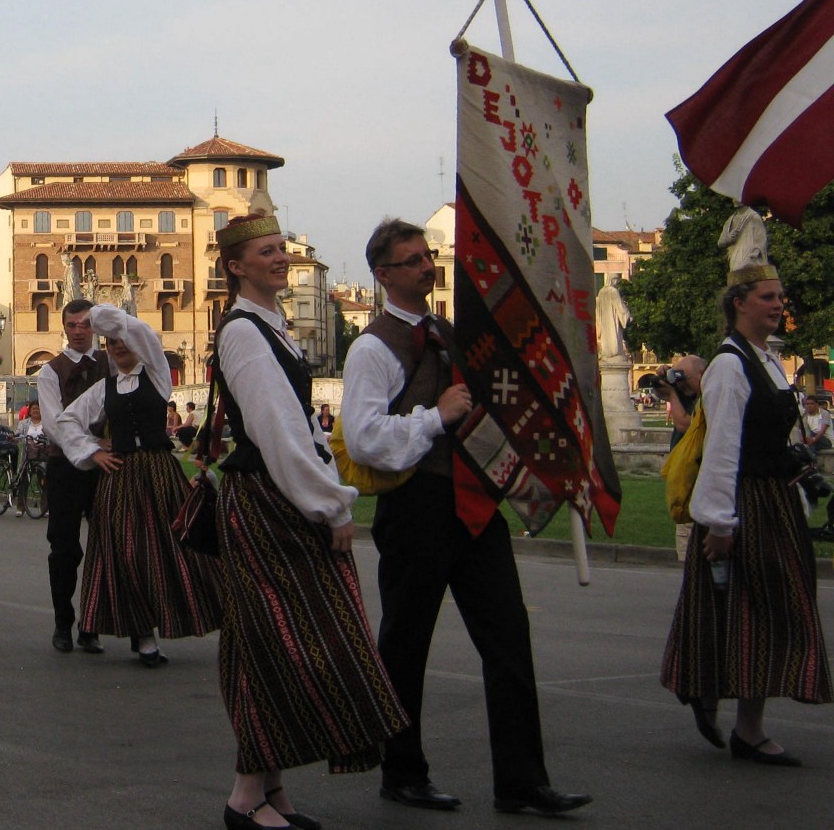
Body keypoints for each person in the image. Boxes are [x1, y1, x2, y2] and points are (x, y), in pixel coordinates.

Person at [341, 218, 589, 816]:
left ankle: (522, 780)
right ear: (383, 274)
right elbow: (365, 438)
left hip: (474, 506)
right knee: (405, 643)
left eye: (427, 257)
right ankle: (402, 771)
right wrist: (435, 415)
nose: (428, 267)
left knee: (508, 639)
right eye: (413, 260)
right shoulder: (371, 346)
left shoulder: (448, 333)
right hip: (417, 506)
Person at [208, 214, 406, 830]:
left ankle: (266, 789)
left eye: (280, 250)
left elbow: (297, 425)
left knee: (274, 640)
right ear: (237, 266)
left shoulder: (272, 326)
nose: (279, 259)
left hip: (274, 497)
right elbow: (279, 430)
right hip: (271, 502)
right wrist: (329, 506)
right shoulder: (244, 332)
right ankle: (247, 796)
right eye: (265, 252)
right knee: (286, 643)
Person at [661, 260, 831, 766]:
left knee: (765, 612)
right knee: (753, 612)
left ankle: (741, 720)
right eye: (767, 297)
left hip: (772, 499)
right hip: (746, 503)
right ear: (739, 303)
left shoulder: (764, 359)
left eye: (780, 297)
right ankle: (727, 709)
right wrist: (718, 520)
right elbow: (722, 449)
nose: (779, 305)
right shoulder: (731, 365)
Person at [54, 305, 221, 667]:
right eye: (110, 343)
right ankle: (144, 636)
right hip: (122, 476)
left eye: (121, 340)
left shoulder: (157, 374)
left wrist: (100, 317)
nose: (117, 346)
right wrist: (93, 452)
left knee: (173, 550)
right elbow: (67, 421)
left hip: (159, 473)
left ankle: (190, 617)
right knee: (126, 554)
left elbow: (142, 333)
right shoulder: (104, 388)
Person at [37, 299, 110, 655]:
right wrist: (93, 445)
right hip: (65, 464)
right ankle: (62, 622)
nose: (79, 331)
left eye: (84, 324)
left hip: (107, 467)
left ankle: (92, 623)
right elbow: (53, 425)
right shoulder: (51, 371)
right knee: (64, 548)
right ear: (63, 327)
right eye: (72, 325)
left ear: (95, 327)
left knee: (104, 546)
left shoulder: (112, 365)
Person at [655, 355, 707, 561]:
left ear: (703, 374)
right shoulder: (691, 395)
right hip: (686, 490)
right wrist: (669, 385)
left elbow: (684, 424)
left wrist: (672, 393)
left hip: (696, 486)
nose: (681, 383)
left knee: (693, 559)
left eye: (684, 378)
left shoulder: (708, 399)